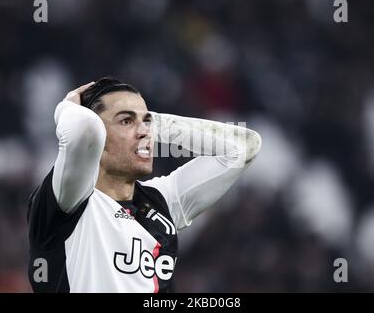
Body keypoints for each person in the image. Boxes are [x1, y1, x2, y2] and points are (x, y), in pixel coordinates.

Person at [27, 77, 262, 292]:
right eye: (126, 121)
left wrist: (151, 123)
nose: (144, 132)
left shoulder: (161, 201)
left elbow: (243, 146)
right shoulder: (69, 201)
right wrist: (66, 107)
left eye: (147, 123)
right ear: (99, 137)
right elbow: (84, 130)